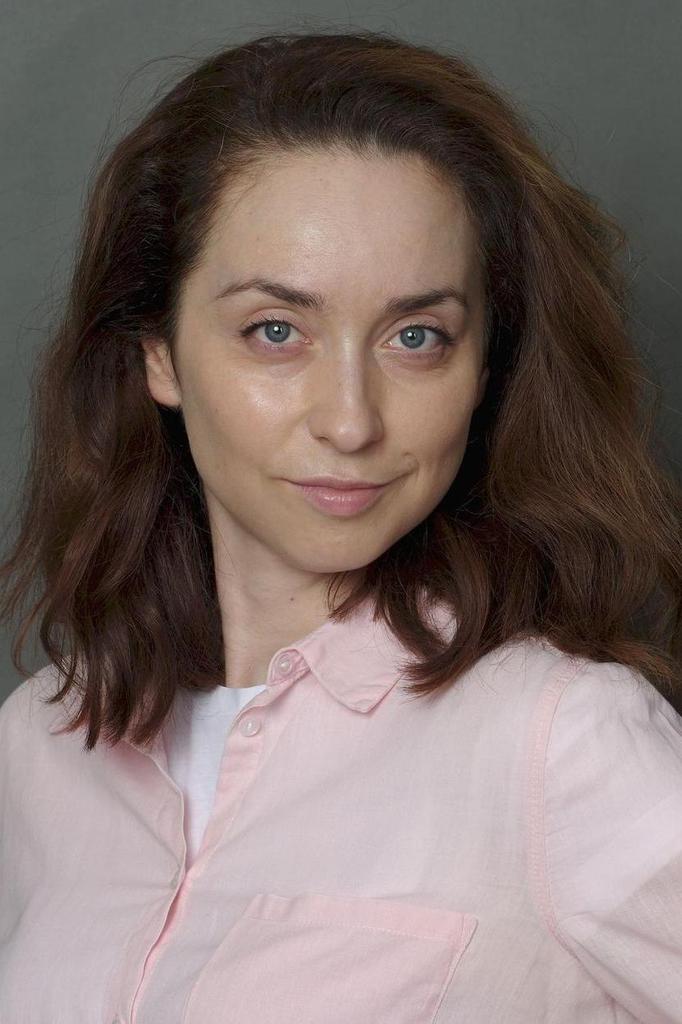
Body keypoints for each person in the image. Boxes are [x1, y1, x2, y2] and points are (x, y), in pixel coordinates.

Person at [0, 28, 680, 1024]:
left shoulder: (558, 739)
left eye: (417, 336)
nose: (352, 421)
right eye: (276, 331)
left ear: (483, 370)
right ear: (159, 352)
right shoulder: (43, 744)